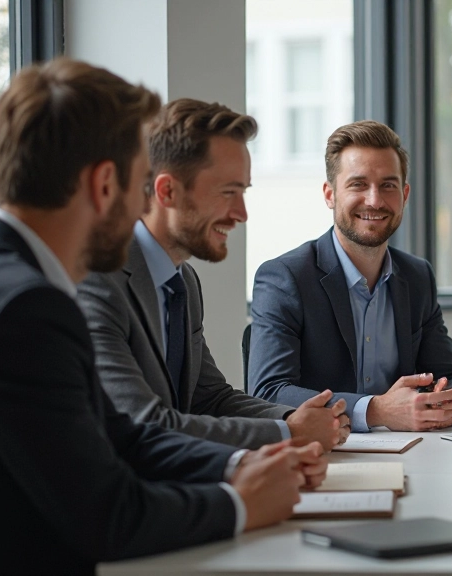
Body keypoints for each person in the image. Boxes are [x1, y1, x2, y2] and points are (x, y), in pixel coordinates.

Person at [0, 58, 325, 575]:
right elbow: (109, 516)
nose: (141, 206)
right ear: (104, 184)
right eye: (139, 183)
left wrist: (242, 464)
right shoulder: (26, 310)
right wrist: (241, 505)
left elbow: (120, 435)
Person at [78, 98, 348, 452]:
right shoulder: (97, 280)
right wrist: (289, 433)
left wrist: (291, 419)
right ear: (167, 191)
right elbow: (144, 424)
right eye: (227, 192)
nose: (241, 213)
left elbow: (209, 399)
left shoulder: (182, 281)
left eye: (243, 192)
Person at [248, 120, 452, 432]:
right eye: (358, 184)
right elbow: (269, 392)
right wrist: (375, 411)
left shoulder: (417, 276)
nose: (374, 200)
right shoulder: (284, 278)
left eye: (388, 185)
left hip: (409, 449)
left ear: (405, 194)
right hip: (323, 453)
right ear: (330, 194)